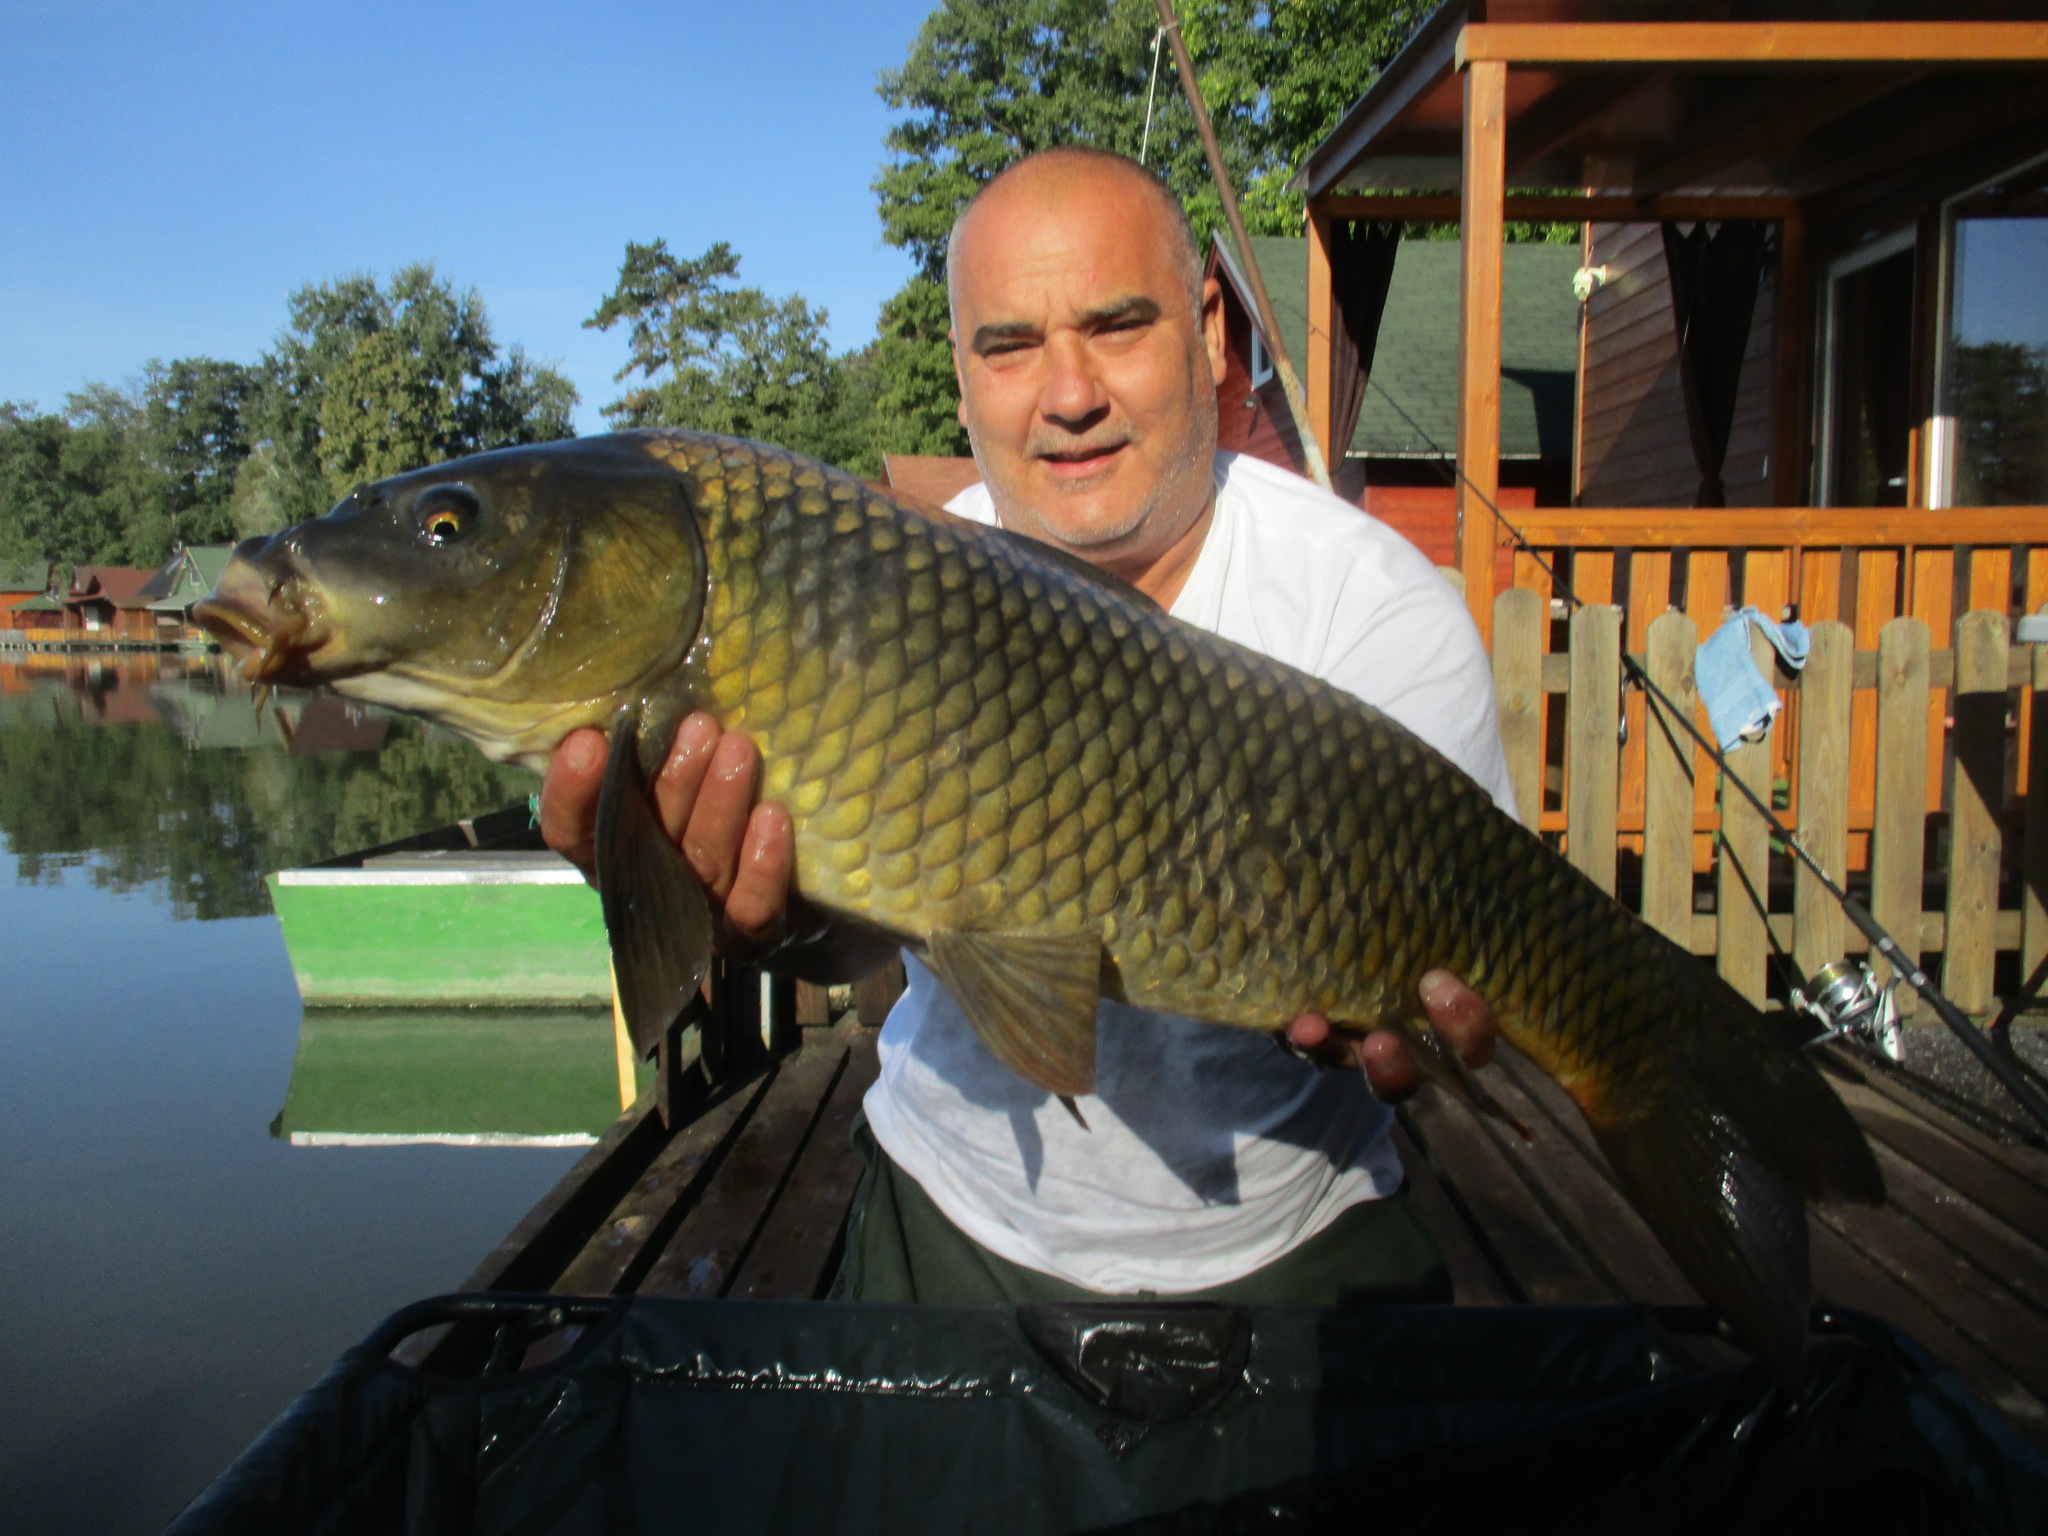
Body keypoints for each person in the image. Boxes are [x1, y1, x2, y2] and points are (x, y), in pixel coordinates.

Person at [541, 147, 1516, 1306]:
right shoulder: (869, 591)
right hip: (950, 1207)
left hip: (1298, 1228)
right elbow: (855, 942)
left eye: (1116, 326)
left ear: (1210, 332)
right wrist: (770, 922)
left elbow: (1465, 999)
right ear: (960, 379)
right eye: (1007, 347)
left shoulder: (1376, 614)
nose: (1067, 395)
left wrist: (1427, 1010)